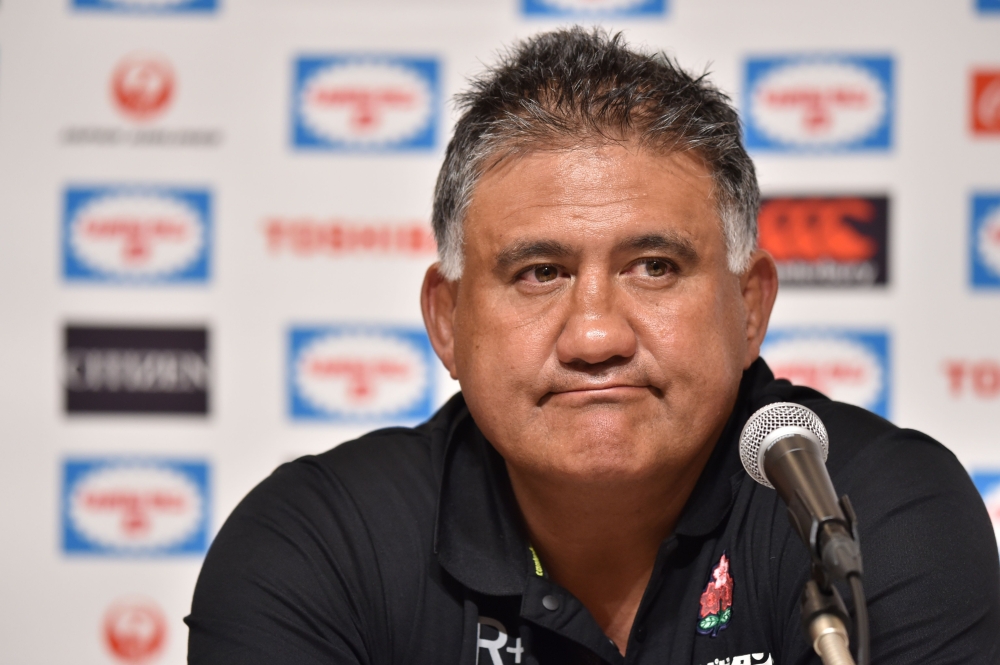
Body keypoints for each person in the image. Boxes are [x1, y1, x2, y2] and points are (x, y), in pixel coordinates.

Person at [186, 28, 1000, 664]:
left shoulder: (866, 518)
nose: (597, 335)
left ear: (750, 307)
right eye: (540, 272)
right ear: (447, 322)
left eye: (654, 267)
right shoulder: (322, 547)